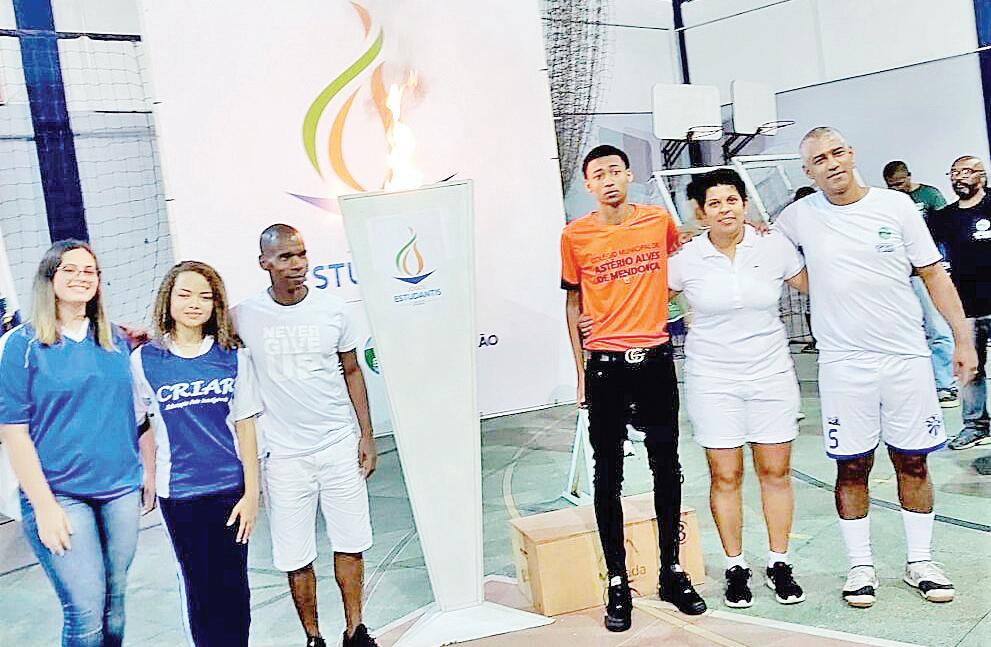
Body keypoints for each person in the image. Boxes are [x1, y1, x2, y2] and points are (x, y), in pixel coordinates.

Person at [775, 127, 977, 608]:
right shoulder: (798, 217)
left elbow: (932, 273)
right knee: (852, 466)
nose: (831, 164)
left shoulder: (896, 207)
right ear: (808, 171)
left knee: (913, 460)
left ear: (851, 153)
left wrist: (961, 337)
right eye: (819, 160)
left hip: (906, 359)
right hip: (844, 364)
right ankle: (860, 566)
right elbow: (762, 251)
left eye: (837, 153)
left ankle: (920, 561)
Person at [560, 144, 705, 633]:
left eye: (615, 171)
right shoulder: (574, 236)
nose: (608, 180)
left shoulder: (657, 221)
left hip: (656, 361)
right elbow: (572, 304)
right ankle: (618, 581)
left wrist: (748, 228)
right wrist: (580, 371)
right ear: (588, 184)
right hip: (606, 368)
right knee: (608, 475)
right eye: (598, 174)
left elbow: (691, 251)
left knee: (668, 466)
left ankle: (671, 570)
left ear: (628, 175)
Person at [0, 240, 153, 647]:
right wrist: (44, 506)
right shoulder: (22, 346)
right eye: (69, 269)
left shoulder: (116, 340)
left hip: (120, 489)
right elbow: (13, 432)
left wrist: (148, 471)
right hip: (60, 495)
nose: (81, 277)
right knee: (85, 613)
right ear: (49, 277)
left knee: (115, 606)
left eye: (89, 271)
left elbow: (139, 414)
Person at [233, 224, 379, 647]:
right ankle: (314, 638)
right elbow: (194, 335)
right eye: (285, 257)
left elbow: (352, 370)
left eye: (301, 254)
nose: (297, 264)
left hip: (337, 447)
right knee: (294, 555)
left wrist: (366, 436)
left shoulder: (334, 310)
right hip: (283, 458)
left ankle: (355, 631)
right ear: (264, 263)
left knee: (351, 542)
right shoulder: (244, 316)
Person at [669, 169, 808, 608]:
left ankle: (779, 562)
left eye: (731, 200)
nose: (724, 209)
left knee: (775, 472)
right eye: (714, 203)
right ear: (701, 213)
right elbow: (649, 301)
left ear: (744, 204)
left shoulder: (772, 245)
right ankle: (735, 566)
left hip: (771, 374)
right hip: (713, 380)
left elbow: (816, 283)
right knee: (725, 475)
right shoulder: (686, 258)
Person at [132, 261, 262, 646]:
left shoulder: (232, 356)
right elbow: (140, 424)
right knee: (200, 590)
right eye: (185, 294)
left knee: (234, 589)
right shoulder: (144, 361)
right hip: (180, 496)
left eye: (205, 296)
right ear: (168, 300)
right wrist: (149, 476)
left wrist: (252, 494)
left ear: (216, 305)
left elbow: (246, 426)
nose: (194, 303)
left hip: (229, 492)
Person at [928, 156, 991, 450]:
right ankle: (975, 427)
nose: (958, 177)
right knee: (970, 370)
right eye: (953, 173)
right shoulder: (944, 218)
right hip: (966, 309)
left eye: (966, 171)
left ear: (982, 175)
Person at [883, 161, 957, 407]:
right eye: (892, 186)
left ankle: (946, 385)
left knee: (938, 329)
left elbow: (947, 231)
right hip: (901, 274)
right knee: (905, 331)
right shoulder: (890, 202)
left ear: (909, 177)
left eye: (900, 183)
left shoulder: (930, 195)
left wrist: (945, 265)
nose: (897, 188)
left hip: (928, 272)